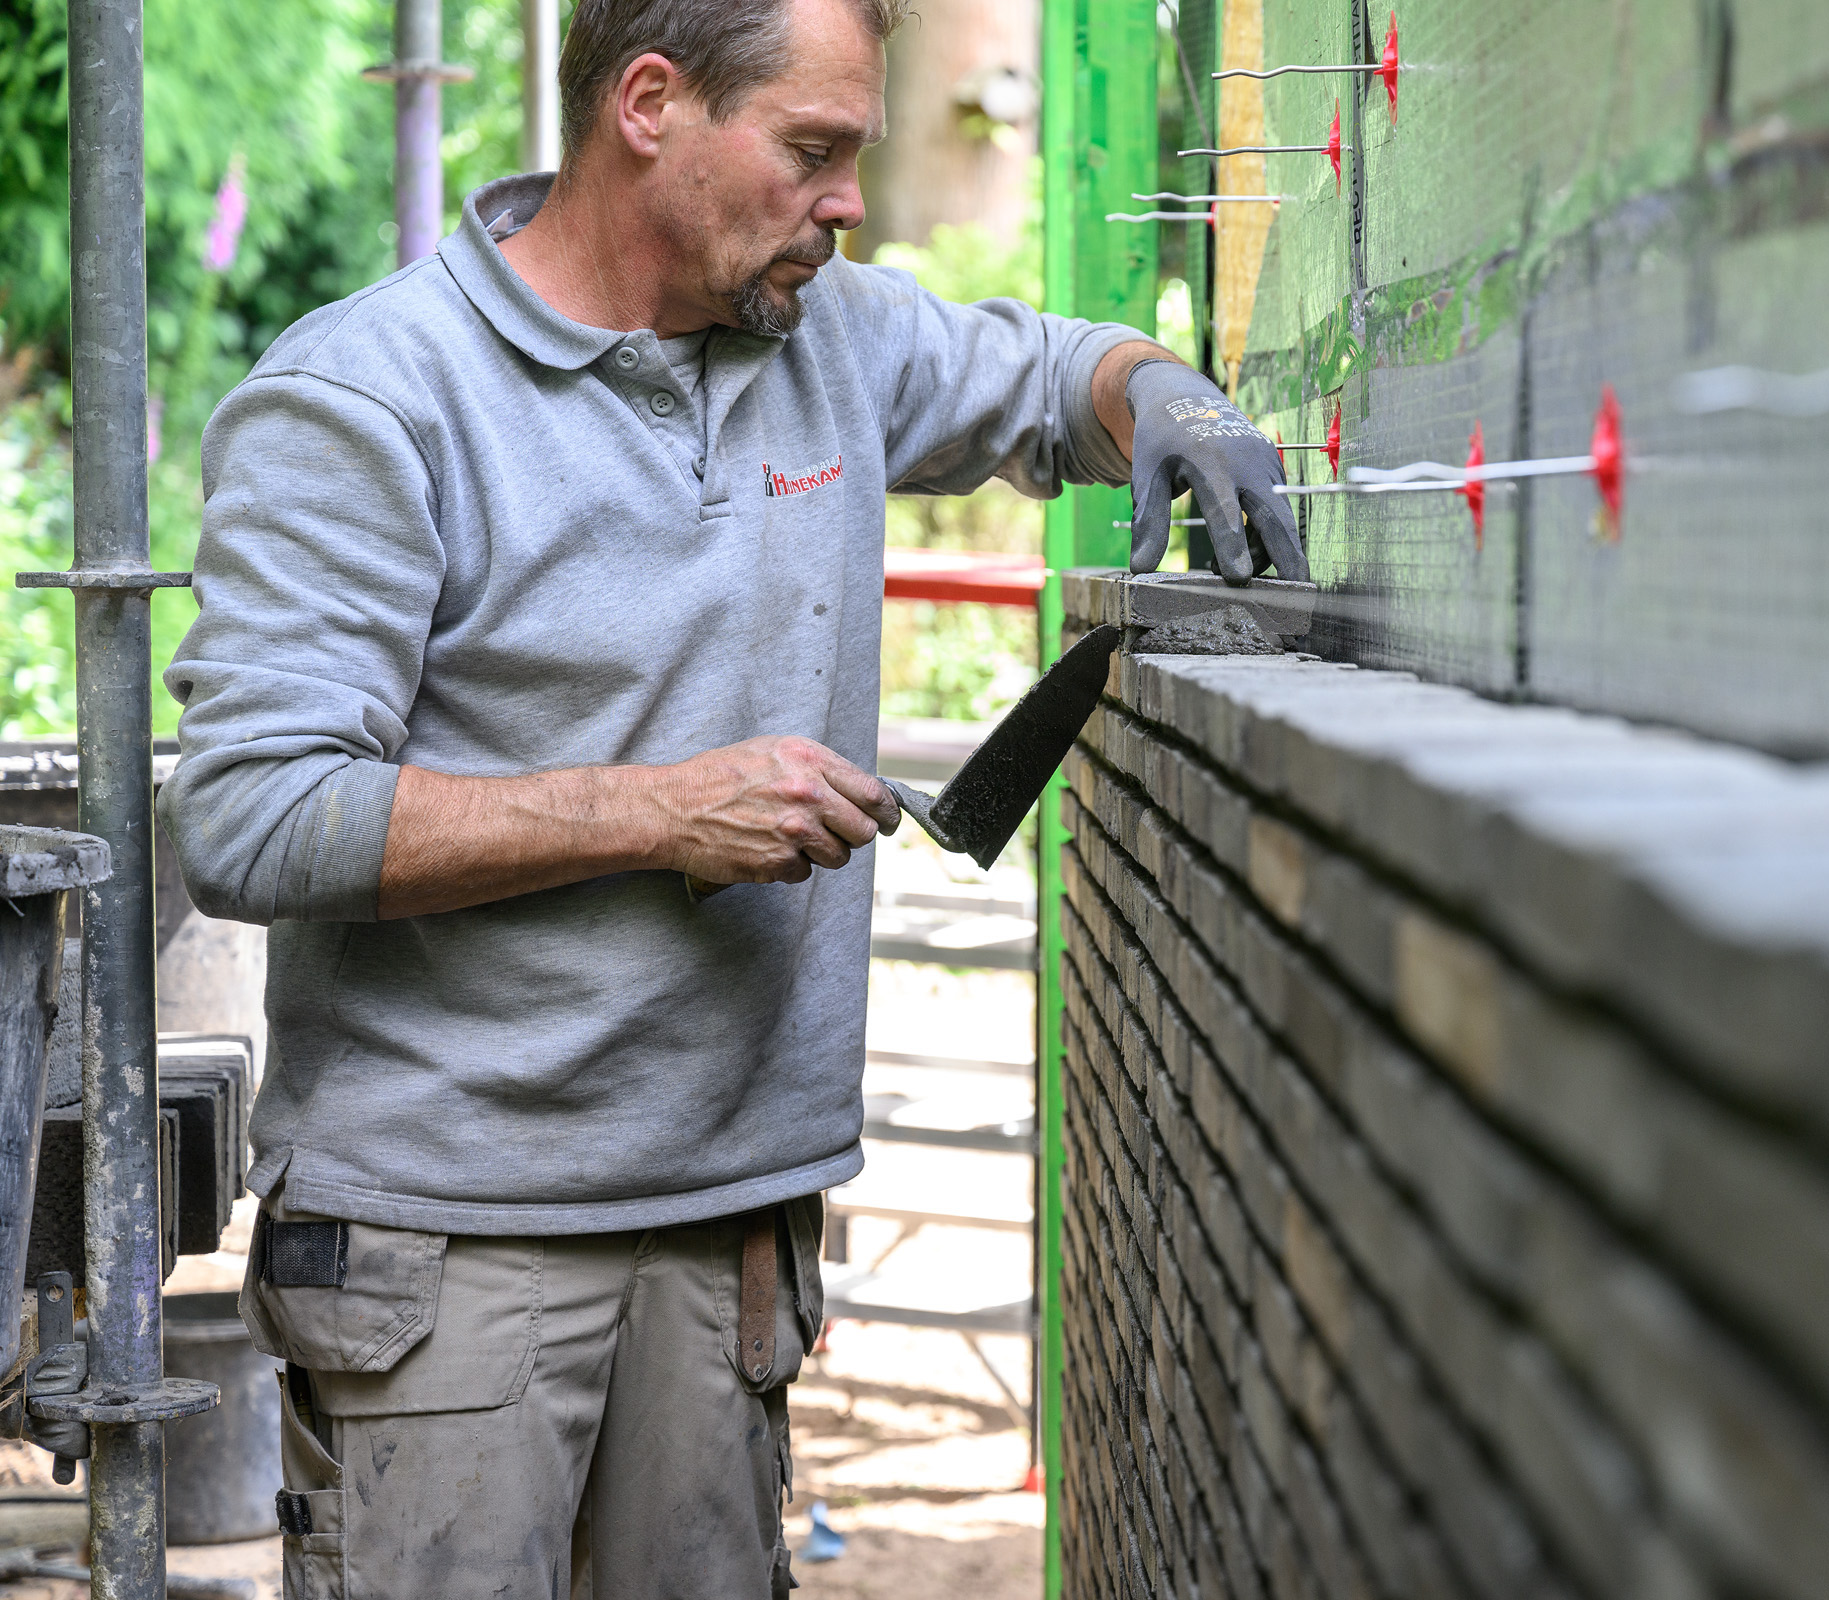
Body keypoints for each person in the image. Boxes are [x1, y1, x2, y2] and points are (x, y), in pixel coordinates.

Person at [158, 0, 1299, 1591]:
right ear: (648, 105)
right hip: (449, 1246)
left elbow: (1053, 376)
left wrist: (1170, 396)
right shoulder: (367, 399)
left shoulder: (826, 336)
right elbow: (254, 818)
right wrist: (658, 814)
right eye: (812, 152)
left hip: (729, 1238)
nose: (847, 201)